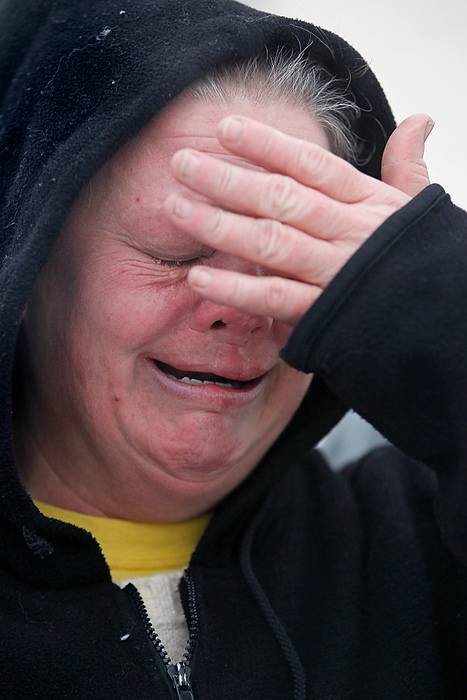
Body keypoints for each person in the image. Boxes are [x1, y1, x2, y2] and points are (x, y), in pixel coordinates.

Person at [1, 0, 466, 697]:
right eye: (174, 251)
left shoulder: (418, 546)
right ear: (29, 263)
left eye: (288, 265)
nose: (238, 309)